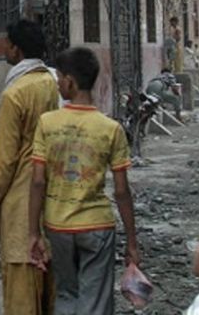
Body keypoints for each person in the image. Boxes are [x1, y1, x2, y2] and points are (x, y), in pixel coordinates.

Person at [28, 47, 139, 315]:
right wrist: (132, 241)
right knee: (95, 302)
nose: (57, 84)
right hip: (97, 226)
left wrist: (33, 233)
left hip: (57, 225)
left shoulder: (47, 123)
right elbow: (122, 191)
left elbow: (38, 182)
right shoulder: (111, 129)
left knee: (66, 294)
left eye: (58, 78)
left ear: (70, 81)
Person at [0, 20, 58, 315]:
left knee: (22, 296)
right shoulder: (54, 84)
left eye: (7, 43)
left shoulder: (15, 94)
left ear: (17, 49)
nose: (5, 49)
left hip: (21, 206)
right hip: (53, 202)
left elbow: (4, 159)